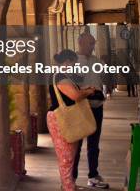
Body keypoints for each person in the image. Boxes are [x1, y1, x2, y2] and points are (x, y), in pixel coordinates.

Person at [48, 49, 97, 191]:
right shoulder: (60, 77)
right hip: (60, 118)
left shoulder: (60, 76)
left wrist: (84, 89)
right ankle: (68, 187)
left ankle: (69, 185)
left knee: (68, 155)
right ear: (67, 61)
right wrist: (88, 91)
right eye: (73, 64)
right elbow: (75, 96)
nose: (74, 67)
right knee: (66, 156)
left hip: (62, 117)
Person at [72, 32, 109, 189]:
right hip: (80, 108)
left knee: (94, 144)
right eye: (89, 44)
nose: (92, 47)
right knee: (77, 145)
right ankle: (71, 178)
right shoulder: (72, 61)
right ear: (80, 43)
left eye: (93, 44)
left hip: (97, 107)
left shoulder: (96, 61)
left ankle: (93, 175)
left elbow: (102, 79)